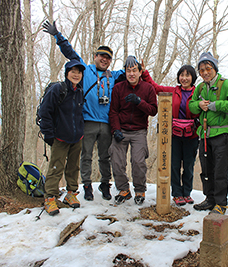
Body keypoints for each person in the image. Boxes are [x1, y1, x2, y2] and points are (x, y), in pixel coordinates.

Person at [43, 21, 125, 202]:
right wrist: (58, 36)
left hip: (106, 123)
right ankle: (86, 185)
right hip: (86, 121)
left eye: (108, 58)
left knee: (105, 157)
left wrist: (135, 64)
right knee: (85, 156)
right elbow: (69, 52)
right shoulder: (85, 70)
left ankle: (105, 184)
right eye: (101, 56)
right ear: (95, 56)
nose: (104, 59)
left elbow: (133, 72)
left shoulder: (115, 75)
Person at [189, 52, 228, 215]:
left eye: (208, 68)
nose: (205, 73)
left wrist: (217, 105)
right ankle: (210, 198)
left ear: (214, 68)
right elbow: (191, 106)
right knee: (206, 169)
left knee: (220, 170)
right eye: (201, 70)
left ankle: (221, 203)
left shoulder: (225, 84)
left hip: (221, 135)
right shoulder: (200, 87)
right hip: (204, 135)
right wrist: (199, 105)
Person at [141, 63, 199, 206]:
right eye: (182, 75)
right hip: (174, 135)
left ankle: (187, 193)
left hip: (192, 135)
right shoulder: (173, 91)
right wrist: (144, 73)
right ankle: (177, 194)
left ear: (193, 77)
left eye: (187, 75)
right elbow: (156, 88)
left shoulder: (198, 93)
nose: (184, 78)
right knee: (173, 165)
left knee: (189, 165)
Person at [109, 56, 158, 205]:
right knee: (116, 160)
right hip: (121, 129)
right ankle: (123, 189)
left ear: (139, 72)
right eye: (128, 70)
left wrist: (139, 102)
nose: (131, 74)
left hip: (139, 130)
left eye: (134, 70)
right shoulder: (118, 88)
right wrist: (116, 130)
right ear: (125, 72)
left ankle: (140, 190)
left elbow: (153, 110)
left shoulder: (147, 88)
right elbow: (113, 111)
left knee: (138, 161)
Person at [39, 59, 85, 216]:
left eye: (79, 72)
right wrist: (48, 134)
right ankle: (50, 197)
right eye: (73, 71)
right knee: (55, 167)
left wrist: (81, 130)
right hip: (60, 137)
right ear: (67, 73)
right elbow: (45, 112)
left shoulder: (79, 91)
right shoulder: (58, 89)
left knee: (73, 167)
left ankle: (71, 193)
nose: (76, 74)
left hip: (77, 137)